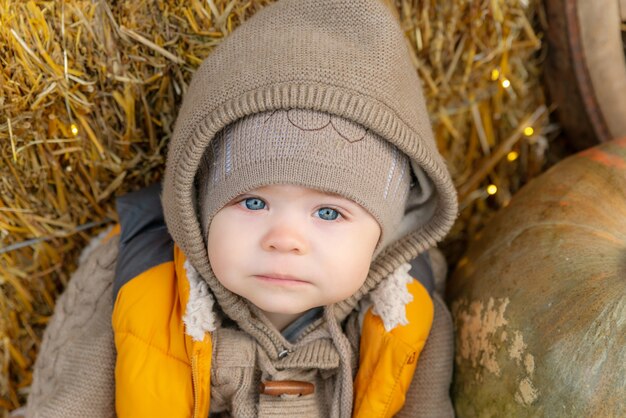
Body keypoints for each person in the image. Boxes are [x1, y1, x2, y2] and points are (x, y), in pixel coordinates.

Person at [24, 0, 458, 417]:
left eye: (328, 213)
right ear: (198, 207)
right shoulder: (143, 291)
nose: (285, 239)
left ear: (386, 234)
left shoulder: (406, 320)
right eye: (253, 202)